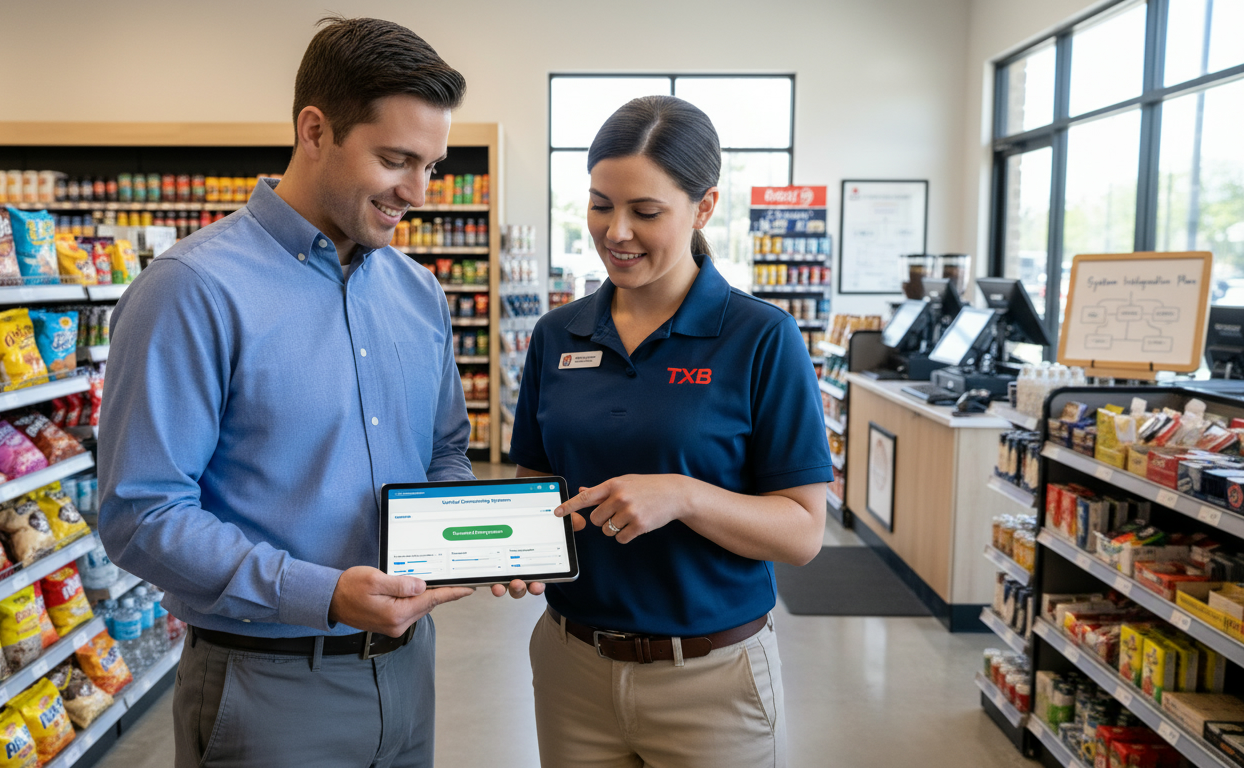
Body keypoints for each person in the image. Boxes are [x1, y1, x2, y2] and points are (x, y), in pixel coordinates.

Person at [98, 17, 484, 767]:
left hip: (410, 672)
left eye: (431, 165)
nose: (418, 191)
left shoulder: (419, 293)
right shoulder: (192, 289)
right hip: (267, 688)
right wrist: (323, 594)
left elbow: (443, 452)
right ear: (315, 129)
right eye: (397, 159)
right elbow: (141, 513)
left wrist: (473, 540)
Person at [498, 95, 832, 768]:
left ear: (704, 207)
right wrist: (515, 545)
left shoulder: (761, 337)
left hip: (711, 681)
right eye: (600, 205)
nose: (615, 231)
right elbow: (536, 481)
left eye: (645, 212)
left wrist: (684, 495)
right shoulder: (556, 335)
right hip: (572, 667)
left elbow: (802, 533)